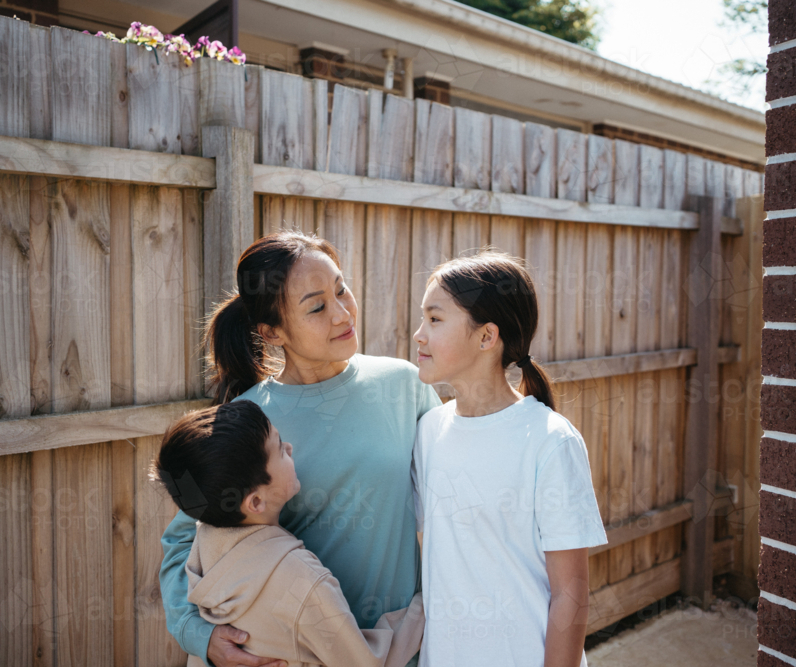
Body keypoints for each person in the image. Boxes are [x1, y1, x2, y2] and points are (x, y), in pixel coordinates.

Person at [159, 231, 442, 667]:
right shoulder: (246, 419)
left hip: (404, 646)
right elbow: (182, 541)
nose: (342, 312)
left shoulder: (403, 385)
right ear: (272, 332)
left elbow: (454, 501)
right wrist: (199, 634)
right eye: (317, 307)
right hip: (297, 653)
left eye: (342, 289)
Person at [411, 251, 607, 667]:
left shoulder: (550, 441)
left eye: (435, 319)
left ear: (486, 337)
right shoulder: (428, 432)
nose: (418, 335)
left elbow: (570, 595)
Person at [152, 400, 425, 667]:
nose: (291, 448)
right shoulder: (304, 581)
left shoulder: (204, 540)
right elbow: (366, 662)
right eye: (280, 449)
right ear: (256, 503)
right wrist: (422, 609)